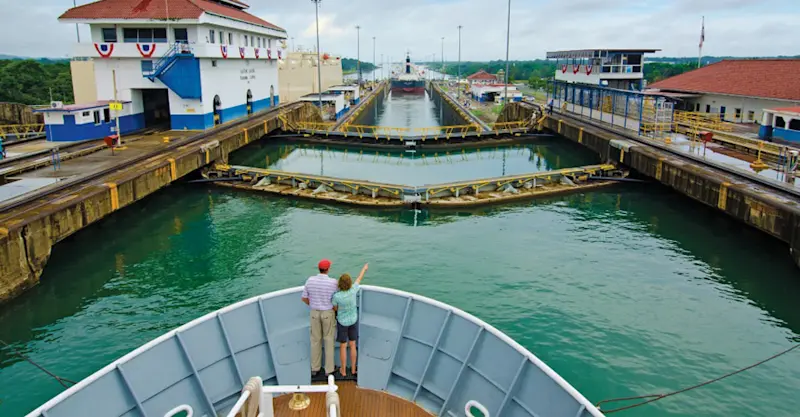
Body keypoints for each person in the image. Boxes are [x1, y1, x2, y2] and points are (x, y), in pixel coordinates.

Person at [301, 259, 339, 377]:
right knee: (328, 340)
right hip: (328, 313)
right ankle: (329, 370)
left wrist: (313, 305)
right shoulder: (333, 282)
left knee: (315, 340)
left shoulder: (310, 280)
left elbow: (304, 298)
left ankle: (315, 368)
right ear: (328, 269)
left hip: (314, 313)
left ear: (319, 269)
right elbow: (336, 301)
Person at [332, 263, 368, 377]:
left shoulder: (337, 296)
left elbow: (335, 307)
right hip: (353, 320)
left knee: (343, 345)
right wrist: (364, 268)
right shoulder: (353, 290)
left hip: (342, 322)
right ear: (349, 283)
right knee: (352, 345)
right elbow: (359, 278)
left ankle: (343, 370)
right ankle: (353, 369)